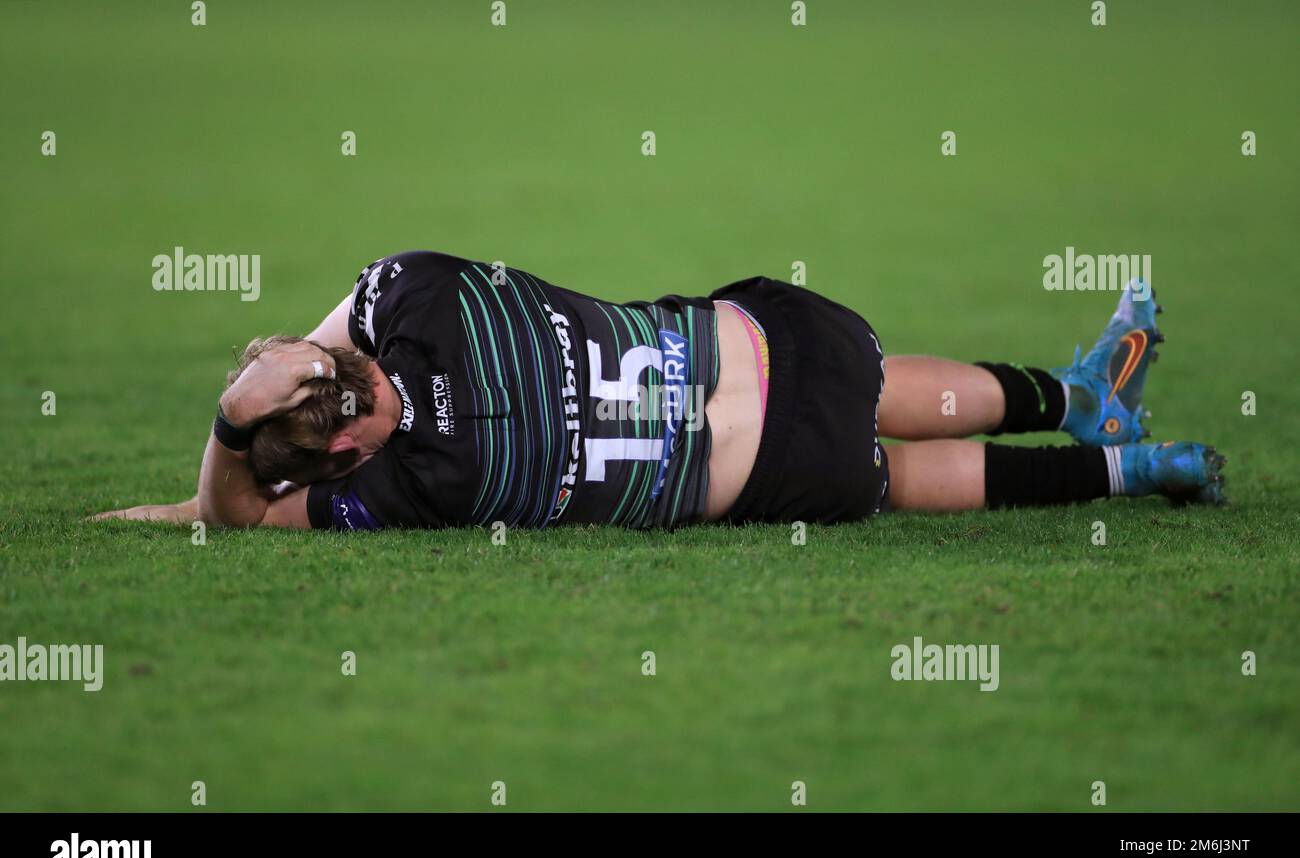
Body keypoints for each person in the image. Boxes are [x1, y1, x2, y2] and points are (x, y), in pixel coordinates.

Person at [94, 251, 1226, 529]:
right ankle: (1091, 417)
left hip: (771, 451)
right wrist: (269, 373)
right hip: (759, 374)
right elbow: (333, 337)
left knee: (887, 440)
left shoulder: (403, 487)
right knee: (886, 407)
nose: (349, 367)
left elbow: (235, 510)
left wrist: (228, 439)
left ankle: (1116, 453)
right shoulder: (417, 296)